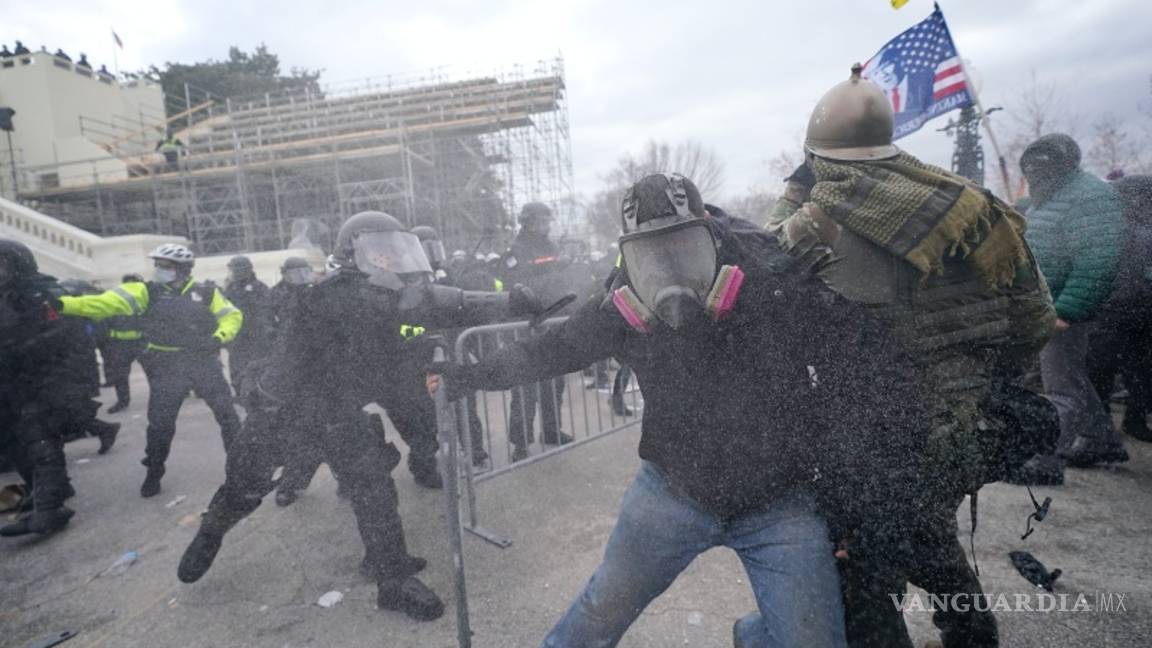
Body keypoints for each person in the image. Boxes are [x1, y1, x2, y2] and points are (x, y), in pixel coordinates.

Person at [429, 173, 934, 648]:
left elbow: (858, 365)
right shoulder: (620, 304)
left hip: (779, 504)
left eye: (682, 247)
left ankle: (757, 637)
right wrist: (465, 377)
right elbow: (550, 349)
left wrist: (853, 499)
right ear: (628, 257)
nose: (668, 273)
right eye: (651, 256)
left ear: (713, 236)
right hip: (672, 492)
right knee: (600, 611)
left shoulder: (775, 282)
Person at [767, 65, 1057, 648]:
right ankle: (974, 637)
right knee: (928, 538)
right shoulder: (971, 206)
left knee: (866, 582)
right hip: (967, 429)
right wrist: (976, 377)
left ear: (820, 157)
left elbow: (769, 272)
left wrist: (797, 189)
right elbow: (1035, 319)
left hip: (877, 440)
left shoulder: (820, 221)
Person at [176, 211, 543, 622]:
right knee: (244, 487)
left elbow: (442, 303)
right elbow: (420, 304)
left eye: (395, 251)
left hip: (339, 409)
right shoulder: (329, 297)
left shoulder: (391, 295)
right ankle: (211, 533)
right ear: (354, 255)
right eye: (381, 253)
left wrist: (510, 302)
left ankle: (391, 577)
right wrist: (262, 398)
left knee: (375, 490)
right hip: (286, 412)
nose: (391, 261)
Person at [57, 243, 243, 497]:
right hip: (167, 366)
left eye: (165, 266)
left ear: (183, 269)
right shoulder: (146, 292)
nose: (159, 270)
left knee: (228, 417)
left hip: (204, 363)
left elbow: (232, 316)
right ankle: (154, 470)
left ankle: (241, 467)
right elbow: (102, 303)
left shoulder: (206, 292)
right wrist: (60, 304)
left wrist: (219, 337)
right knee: (160, 425)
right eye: (158, 265)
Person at [1020, 133, 1126, 469]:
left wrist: (1068, 310)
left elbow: (1099, 257)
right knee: (1070, 378)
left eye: (1040, 165)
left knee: (1061, 386)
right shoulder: (1049, 195)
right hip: (1046, 302)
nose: (1034, 171)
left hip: (1064, 306)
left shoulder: (1089, 196)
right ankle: (1100, 440)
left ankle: (1047, 457)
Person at [0, 240, 80, 536]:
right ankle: (40, 496)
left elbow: (60, 338)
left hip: (41, 383)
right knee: (17, 446)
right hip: (11, 387)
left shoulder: (40, 294)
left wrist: (14, 349)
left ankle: (48, 510)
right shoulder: (7, 296)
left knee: (42, 444)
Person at [502, 202, 575, 461]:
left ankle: (552, 430)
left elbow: (562, 282)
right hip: (528, 323)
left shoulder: (551, 247)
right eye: (542, 220)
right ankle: (521, 443)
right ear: (529, 222)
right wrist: (556, 272)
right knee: (525, 384)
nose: (547, 225)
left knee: (554, 380)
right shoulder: (516, 250)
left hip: (553, 319)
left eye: (548, 220)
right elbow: (518, 285)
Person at [1087, 174, 1152, 442]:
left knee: (1104, 366)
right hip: (1136, 308)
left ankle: (1102, 423)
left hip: (1115, 308)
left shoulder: (1109, 224)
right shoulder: (1117, 225)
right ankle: (1128, 421)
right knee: (1137, 368)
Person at [223, 255, 271, 392]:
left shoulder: (259, 288)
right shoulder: (230, 289)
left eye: (234, 270)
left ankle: (257, 394)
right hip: (237, 339)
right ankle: (240, 393)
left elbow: (265, 312)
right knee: (237, 370)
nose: (232, 273)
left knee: (258, 369)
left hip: (256, 338)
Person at [100, 273, 147, 413]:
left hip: (135, 342)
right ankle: (122, 401)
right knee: (121, 375)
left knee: (152, 372)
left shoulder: (145, 298)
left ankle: (123, 401)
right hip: (123, 343)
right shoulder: (117, 297)